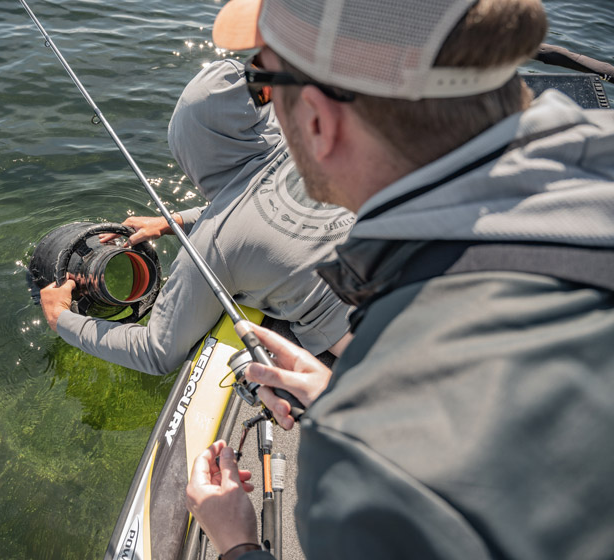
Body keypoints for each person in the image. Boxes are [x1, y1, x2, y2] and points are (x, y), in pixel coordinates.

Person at [186, 0, 614, 558]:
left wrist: (237, 543)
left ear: (316, 120)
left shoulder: (374, 470)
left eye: (264, 84)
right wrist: (354, 393)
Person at [40, 58, 354, 375]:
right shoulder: (319, 147)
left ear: (192, 151)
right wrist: (174, 222)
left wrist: (62, 318)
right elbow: (267, 208)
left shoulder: (216, 242)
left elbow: (156, 352)